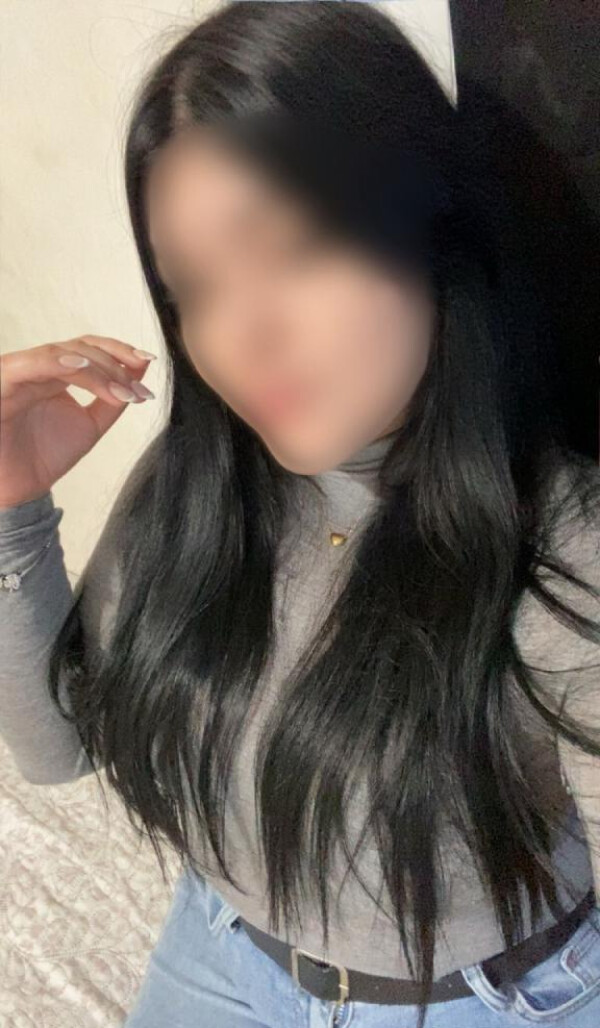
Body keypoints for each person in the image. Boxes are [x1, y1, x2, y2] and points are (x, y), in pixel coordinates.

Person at [1, 3, 600, 1027]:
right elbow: (57, 748)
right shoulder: (203, 480)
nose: (243, 333)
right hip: (223, 945)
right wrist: (13, 505)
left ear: (428, 225)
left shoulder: (562, 552)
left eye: (291, 247)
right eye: (195, 288)